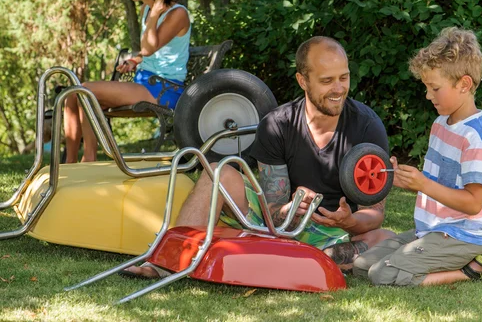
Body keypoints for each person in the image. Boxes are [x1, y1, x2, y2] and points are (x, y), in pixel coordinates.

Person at [124, 36, 393, 279]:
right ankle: (167, 262)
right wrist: (288, 210)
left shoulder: (368, 126)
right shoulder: (277, 124)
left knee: (387, 238)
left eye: (343, 78)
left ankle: (310, 260)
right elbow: (273, 211)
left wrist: (348, 221)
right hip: (278, 226)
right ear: (303, 81)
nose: (338, 89)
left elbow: (376, 214)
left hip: (337, 235)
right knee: (219, 171)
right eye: (326, 81)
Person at [353, 27, 482, 287]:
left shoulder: (477, 138)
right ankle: (430, 261)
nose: (428, 95)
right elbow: (437, 183)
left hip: (461, 235)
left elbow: (474, 203)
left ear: (464, 84)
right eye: (426, 87)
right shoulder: (441, 124)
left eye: (434, 88)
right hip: (432, 231)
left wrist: (423, 184)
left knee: (381, 275)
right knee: (362, 266)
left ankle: (468, 270)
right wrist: (406, 180)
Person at [64, 0, 191, 163]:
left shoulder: (177, 14)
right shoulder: (146, 10)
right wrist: (135, 60)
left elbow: (149, 47)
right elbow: (153, 51)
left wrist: (155, 14)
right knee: (72, 95)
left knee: (85, 90)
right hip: (145, 83)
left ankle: (88, 159)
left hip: (164, 89)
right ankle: (69, 163)